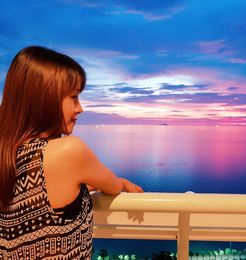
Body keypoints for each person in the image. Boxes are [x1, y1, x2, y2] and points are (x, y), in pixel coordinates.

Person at [0, 46, 143, 259]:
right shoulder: (69, 151)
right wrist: (121, 182)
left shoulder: (8, 153)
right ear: (44, 99)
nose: (80, 108)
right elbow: (112, 186)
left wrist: (84, 184)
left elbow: (34, 195)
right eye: (74, 97)